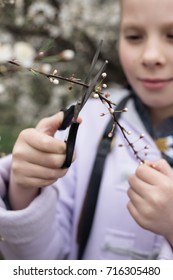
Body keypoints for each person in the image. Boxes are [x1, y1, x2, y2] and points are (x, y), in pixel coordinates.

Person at [1, 0, 173, 260]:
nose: (151, 56)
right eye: (134, 36)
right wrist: (24, 188)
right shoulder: (90, 121)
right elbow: (36, 265)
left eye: (172, 35)